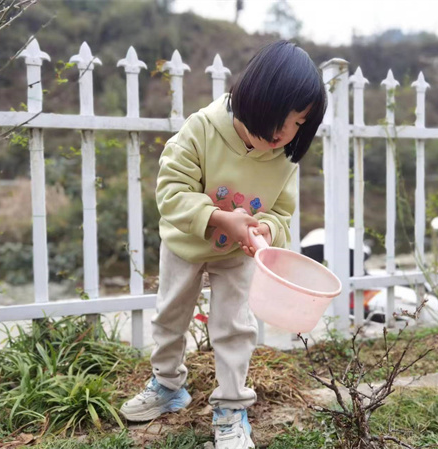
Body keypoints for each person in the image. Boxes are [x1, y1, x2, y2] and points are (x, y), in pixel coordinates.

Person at [120, 40, 326, 449]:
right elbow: (172, 191)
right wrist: (217, 218)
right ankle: (167, 385)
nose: (288, 132)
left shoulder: (284, 158)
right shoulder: (201, 129)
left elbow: (282, 213)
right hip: (186, 244)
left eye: (300, 124)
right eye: (283, 118)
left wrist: (265, 230)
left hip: (238, 254)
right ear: (256, 98)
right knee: (170, 316)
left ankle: (232, 408)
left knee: (234, 327)